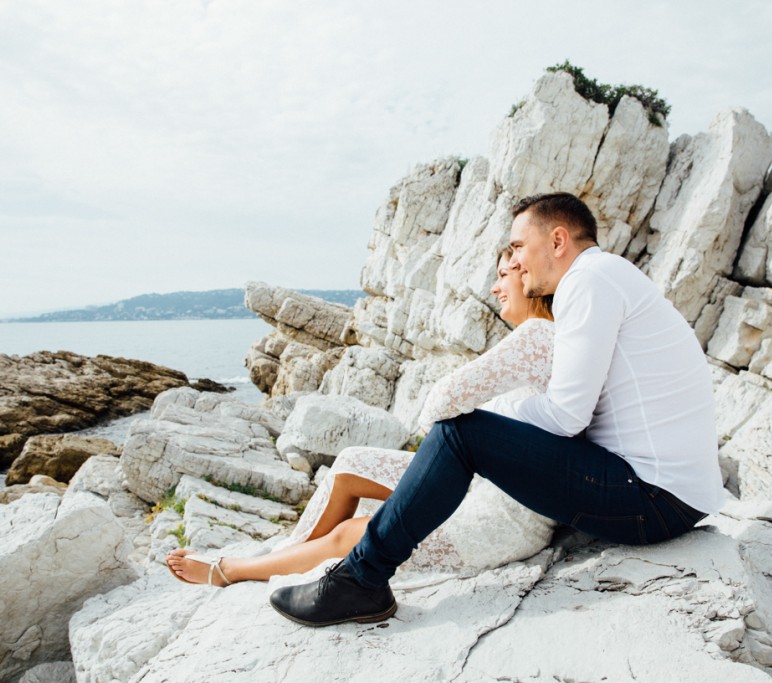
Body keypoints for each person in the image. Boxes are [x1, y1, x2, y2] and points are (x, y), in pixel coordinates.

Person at [269, 191, 725, 627]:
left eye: (519, 246)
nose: (517, 261)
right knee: (468, 433)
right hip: (666, 492)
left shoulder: (587, 281)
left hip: (652, 497)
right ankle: (355, 574)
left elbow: (567, 417)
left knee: (459, 434)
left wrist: (494, 419)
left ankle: (362, 580)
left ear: (558, 240)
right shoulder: (608, 276)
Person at [166, 250, 556, 586]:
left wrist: (437, 429)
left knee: (354, 533)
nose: (494, 287)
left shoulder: (538, 334)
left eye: (504, 275)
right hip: (479, 480)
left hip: (498, 520)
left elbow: (443, 398)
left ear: (530, 275)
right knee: (350, 464)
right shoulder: (531, 336)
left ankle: (233, 570)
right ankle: (287, 554)